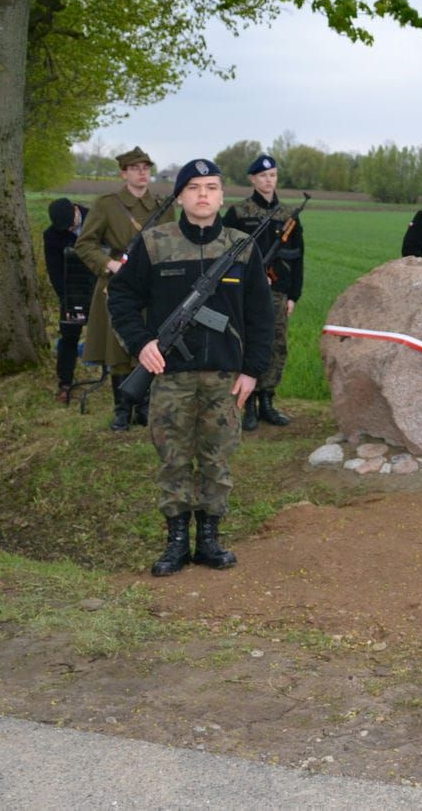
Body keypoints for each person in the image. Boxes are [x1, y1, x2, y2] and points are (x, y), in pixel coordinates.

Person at [108, 158, 274, 577]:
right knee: (174, 459)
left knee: (217, 459)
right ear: (180, 196)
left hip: (225, 377)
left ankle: (210, 540)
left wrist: (252, 370)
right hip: (170, 378)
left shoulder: (242, 247)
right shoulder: (154, 243)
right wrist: (141, 342)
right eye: (195, 187)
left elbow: (260, 315)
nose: (204, 195)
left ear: (221, 195)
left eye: (212, 187)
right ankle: (177, 541)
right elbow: (121, 297)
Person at [74, 147, 173, 430]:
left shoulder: (163, 207)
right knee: (117, 348)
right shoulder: (108, 204)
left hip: (152, 285)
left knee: (150, 343)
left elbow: (171, 245)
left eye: (146, 167)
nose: (142, 172)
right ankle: (121, 409)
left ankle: (144, 407)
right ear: (124, 173)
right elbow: (85, 244)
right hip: (117, 284)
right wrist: (110, 264)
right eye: (135, 168)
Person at [222, 154, 303, 430]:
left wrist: (294, 295)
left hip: (279, 291)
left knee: (276, 344)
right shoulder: (238, 213)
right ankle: (249, 405)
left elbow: (298, 256)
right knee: (246, 342)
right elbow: (225, 252)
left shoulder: (288, 215)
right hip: (245, 291)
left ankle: (268, 400)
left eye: (273, 175)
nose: (269, 180)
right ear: (252, 179)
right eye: (263, 176)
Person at [43, 198, 94, 402]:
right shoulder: (52, 236)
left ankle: (117, 376)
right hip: (73, 290)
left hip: (103, 287)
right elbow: (54, 271)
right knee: (68, 337)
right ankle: (65, 382)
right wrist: (67, 299)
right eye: (65, 227)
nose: (70, 228)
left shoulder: (96, 217)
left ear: (76, 209)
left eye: (72, 223)